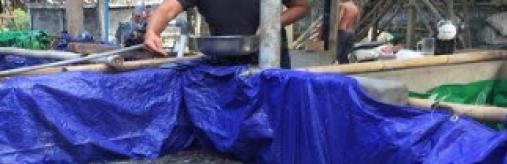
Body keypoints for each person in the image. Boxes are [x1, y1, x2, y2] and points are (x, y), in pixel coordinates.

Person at [143, 0, 309, 69]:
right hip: (223, 63)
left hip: (269, 58)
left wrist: (271, 23)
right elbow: (167, 9)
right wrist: (152, 32)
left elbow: (301, 7)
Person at [336, 0, 360, 64]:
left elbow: (339, 19)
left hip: (342, 31)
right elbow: (356, 21)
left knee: (338, 53)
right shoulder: (356, 8)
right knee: (346, 54)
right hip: (351, 32)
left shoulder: (343, 6)